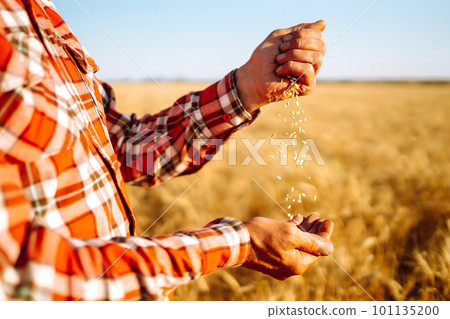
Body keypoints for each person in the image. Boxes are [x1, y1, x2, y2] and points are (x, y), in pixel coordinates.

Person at [0, 0, 333, 300]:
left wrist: (246, 87)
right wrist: (238, 244)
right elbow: (21, 276)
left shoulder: (42, 13)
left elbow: (125, 147)